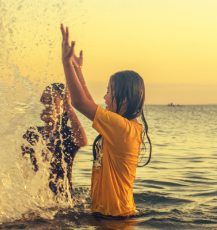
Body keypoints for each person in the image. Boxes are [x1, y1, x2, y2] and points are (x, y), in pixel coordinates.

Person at [59, 24, 151, 218]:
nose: (105, 97)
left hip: (115, 222)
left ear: (124, 99)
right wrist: (78, 70)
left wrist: (66, 63)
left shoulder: (122, 129)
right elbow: (89, 103)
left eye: (109, 92)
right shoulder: (121, 126)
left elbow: (80, 102)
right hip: (109, 218)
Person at [22, 83, 88, 198]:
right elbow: (15, 156)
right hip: (38, 199)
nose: (45, 105)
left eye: (51, 100)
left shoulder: (66, 135)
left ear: (63, 107)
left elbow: (82, 141)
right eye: (43, 100)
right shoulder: (33, 133)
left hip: (63, 200)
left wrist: (68, 105)